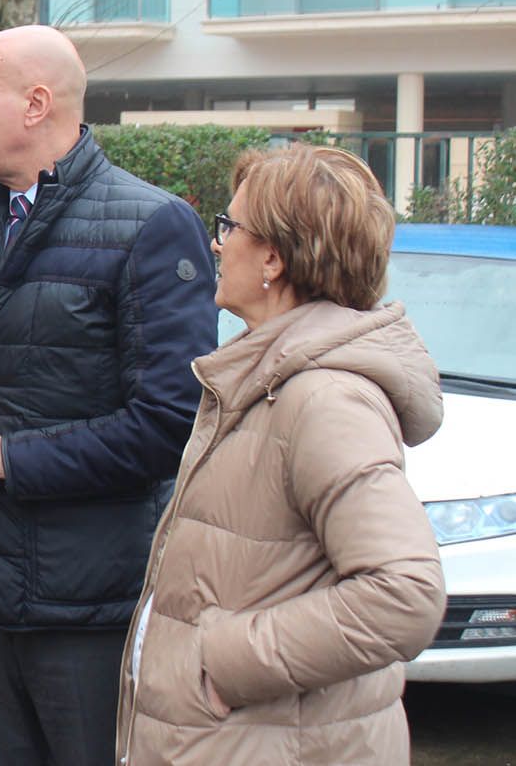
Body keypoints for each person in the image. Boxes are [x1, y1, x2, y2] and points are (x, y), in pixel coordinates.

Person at [0, 25, 218, 766]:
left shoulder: (153, 225)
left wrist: (3, 456)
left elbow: (170, 426)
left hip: (86, 612)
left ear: (37, 103)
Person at [116, 144, 446, 766]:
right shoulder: (264, 377)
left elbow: (405, 596)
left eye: (229, 227)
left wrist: (224, 661)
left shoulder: (324, 399)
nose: (216, 245)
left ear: (273, 257)